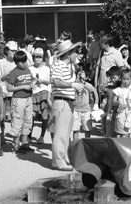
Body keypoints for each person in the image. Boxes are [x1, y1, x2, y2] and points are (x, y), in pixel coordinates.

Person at [48, 40, 84, 171]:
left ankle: (62, 158)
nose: (77, 55)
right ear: (68, 54)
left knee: (66, 133)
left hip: (68, 101)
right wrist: (73, 85)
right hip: (61, 101)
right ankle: (58, 161)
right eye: (75, 52)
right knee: (61, 133)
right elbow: (57, 82)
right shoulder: (58, 65)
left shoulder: (70, 67)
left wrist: (76, 87)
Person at [7, 51, 34, 154]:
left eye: (25, 61)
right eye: (21, 62)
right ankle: (16, 145)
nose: (24, 63)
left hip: (28, 98)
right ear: (16, 62)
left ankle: (24, 144)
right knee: (18, 122)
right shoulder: (14, 72)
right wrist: (23, 87)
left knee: (28, 121)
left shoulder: (28, 70)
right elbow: (9, 88)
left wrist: (34, 84)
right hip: (18, 100)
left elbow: (30, 81)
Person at [0, 41, 17, 143]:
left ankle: (15, 137)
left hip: (14, 91)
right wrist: (7, 75)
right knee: (2, 115)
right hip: (4, 91)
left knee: (15, 114)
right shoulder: (1, 62)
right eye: (12, 50)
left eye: (15, 50)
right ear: (7, 51)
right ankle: (2, 137)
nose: (13, 52)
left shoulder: (17, 62)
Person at [111, 69, 131, 137]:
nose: (126, 81)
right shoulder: (118, 90)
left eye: (128, 79)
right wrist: (119, 101)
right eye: (124, 79)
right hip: (122, 114)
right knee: (123, 134)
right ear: (120, 79)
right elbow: (113, 102)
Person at [29, 48, 51, 144]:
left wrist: (41, 81)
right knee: (32, 115)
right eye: (36, 56)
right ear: (33, 57)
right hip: (33, 92)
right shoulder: (30, 68)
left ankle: (42, 136)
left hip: (44, 92)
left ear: (42, 58)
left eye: (40, 57)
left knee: (44, 115)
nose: (38, 59)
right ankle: (29, 136)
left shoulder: (46, 69)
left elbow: (50, 81)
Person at [72, 70, 99, 140]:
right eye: (79, 75)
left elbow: (95, 93)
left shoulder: (88, 85)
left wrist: (96, 104)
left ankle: (87, 144)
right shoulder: (74, 85)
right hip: (76, 109)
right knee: (75, 129)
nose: (81, 77)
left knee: (87, 129)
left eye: (83, 75)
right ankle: (75, 144)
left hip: (86, 110)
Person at [102, 66, 122, 137]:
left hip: (118, 112)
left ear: (119, 77)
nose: (112, 80)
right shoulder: (109, 86)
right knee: (109, 131)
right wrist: (106, 81)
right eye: (111, 78)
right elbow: (101, 89)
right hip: (109, 111)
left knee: (117, 131)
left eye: (114, 78)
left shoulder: (121, 87)